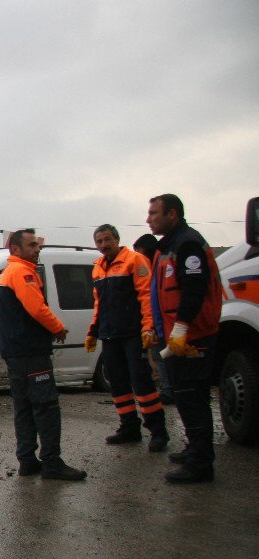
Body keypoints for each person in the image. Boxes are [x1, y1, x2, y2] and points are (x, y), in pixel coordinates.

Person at [0, 229, 87, 481]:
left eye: (37, 245)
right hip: (31, 353)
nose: (37, 249)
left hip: (15, 353)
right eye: (32, 245)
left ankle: (27, 460)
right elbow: (36, 308)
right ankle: (52, 462)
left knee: (23, 407)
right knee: (46, 407)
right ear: (15, 249)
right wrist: (57, 328)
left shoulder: (7, 273)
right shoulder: (22, 272)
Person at [146, 194, 222, 483]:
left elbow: (194, 289)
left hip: (194, 337)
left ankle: (200, 464)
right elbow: (161, 295)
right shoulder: (169, 246)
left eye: (154, 213)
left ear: (172, 214)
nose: (148, 218)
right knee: (184, 396)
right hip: (176, 337)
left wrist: (180, 328)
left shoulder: (187, 244)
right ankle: (194, 449)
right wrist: (157, 329)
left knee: (193, 399)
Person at [85, 225, 169, 451]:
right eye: (99, 241)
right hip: (109, 335)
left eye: (107, 240)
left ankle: (158, 431)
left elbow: (146, 296)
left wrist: (148, 328)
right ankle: (129, 427)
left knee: (142, 383)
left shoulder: (135, 260)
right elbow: (98, 304)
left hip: (133, 334)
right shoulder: (98, 268)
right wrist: (93, 331)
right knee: (118, 384)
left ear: (117, 239)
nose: (103, 245)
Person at [132, 233, 173, 404]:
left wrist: (153, 326)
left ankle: (168, 390)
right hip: (160, 323)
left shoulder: (157, 266)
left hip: (163, 324)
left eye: (139, 252)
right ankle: (170, 389)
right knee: (161, 357)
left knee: (162, 358)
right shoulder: (155, 266)